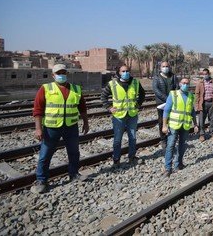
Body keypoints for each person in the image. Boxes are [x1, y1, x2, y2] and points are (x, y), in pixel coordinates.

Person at [31, 64, 89, 193]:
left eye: (63, 72)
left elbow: (83, 108)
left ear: (67, 74)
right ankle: (41, 180)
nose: (61, 75)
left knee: (74, 152)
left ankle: (74, 174)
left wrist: (86, 122)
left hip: (71, 126)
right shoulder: (45, 88)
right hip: (52, 128)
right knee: (45, 155)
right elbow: (37, 110)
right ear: (53, 75)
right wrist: (38, 128)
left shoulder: (76, 89)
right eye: (58, 73)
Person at [101, 64, 146, 165]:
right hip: (118, 115)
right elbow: (103, 96)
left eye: (127, 71)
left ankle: (132, 157)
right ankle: (116, 159)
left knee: (133, 137)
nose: (126, 73)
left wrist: (138, 104)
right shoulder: (112, 84)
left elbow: (142, 94)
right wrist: (109, 107)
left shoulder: (135, 82)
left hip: (132, 114)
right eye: (123, 71)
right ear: (119, 73)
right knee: (117, 139)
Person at [162, 77, 198, 177]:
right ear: (180, 84)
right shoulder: (173, 94)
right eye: (183, 83)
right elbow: (166, 110)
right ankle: (168, 168)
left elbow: (192, 111)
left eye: (187, 83)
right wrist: (164, 125)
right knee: (170, 145)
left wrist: (195, 124)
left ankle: (179, 164)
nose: (185, 84)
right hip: (174, 124)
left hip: (185, 125)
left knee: (182, 145)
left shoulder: (191, 95)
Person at [153, 61, 179, 149]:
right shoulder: (156, 77)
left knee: (172, 120)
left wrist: (173, 99)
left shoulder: (173, 76)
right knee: (162, 121)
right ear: (160, 67)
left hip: (172, 102)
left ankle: (172, 137)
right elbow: (156, 90)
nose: (165, 67)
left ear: (170, 67)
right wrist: (167, 99)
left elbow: (177, 87)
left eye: (167, 66)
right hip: (161, 103)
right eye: (163, 66)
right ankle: (163, 139)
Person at [194, 68, 213, 142]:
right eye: (203, 74)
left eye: (206, 74)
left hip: (212, 103)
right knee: (201, 120)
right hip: (203, 103)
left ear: (209, 74)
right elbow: (197, 95)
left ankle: (212, 133)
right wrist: (197, 105)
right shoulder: (200, 83)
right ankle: (202, 134)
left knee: (212, 119)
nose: (205, 75)